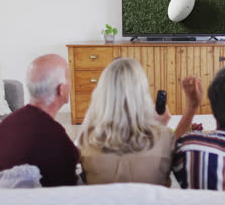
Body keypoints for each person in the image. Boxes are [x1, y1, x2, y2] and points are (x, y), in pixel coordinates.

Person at [78, 58, 192, 186]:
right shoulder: (164, 138)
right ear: (142, 94)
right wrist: (190, 107)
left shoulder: (86, 139)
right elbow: (174, 151)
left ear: (103, 94)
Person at [0, 54, 79, 187]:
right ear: (61, 89)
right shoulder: (55, 138)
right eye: (69, 78)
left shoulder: (6, 125)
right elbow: (68, 192)